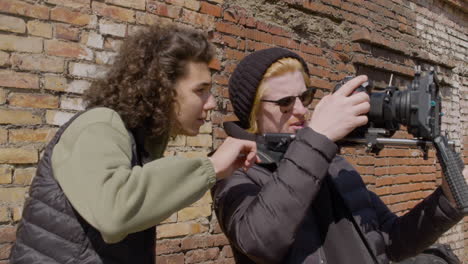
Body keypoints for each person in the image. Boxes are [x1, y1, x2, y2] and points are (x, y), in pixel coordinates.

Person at [10, 24, 258, 264]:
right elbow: (113, 212)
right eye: (200, 90)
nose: (211, 102)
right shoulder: (100, 124)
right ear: (161, 87)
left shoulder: (140, 142)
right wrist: (210, 167)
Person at [212, 47, 465, 264]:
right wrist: (318, 138)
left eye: (305, 96)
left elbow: (390, 241)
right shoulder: (233, 170)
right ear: (253, 111)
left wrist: (447, 199)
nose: (300, 110)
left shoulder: (331, 161)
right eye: (285, 103)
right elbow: (260, 241)